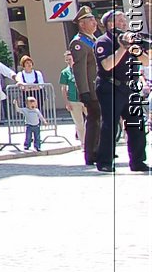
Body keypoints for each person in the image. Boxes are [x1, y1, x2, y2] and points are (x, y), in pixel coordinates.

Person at [94, 10, 149, 173]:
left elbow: (145, 61)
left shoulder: (130, 41)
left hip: (129, 87)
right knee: (110, 125)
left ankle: (138, 161)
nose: (124, 24)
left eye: (125, 21)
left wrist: (134, 48)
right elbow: (107, 65)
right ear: (110, 24)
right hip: (109, 86)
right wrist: (123, 48)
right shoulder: (103, 41)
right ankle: (104, 162)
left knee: (136, 125)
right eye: (120, 21)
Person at [68, 9, 102, 165]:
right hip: (91, 89)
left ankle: (98, 149)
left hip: (99, 87)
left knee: (99, 120)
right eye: (90, 20)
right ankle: (91, 153)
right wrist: (84, 92)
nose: (95, 22)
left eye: (94, 19)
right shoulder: (78, 42)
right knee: (94, 120)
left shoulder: (92, 39)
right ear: (82, 24)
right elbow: (79, 70)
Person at [60, 50, 86, 145]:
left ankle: (94, 142)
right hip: (73, 100)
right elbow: (63, 88)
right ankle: (83, 144)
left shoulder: (81, 68)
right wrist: (67, 102)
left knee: (93, 120)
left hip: (85, 98)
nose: (69, 61)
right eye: (67, 60)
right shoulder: (65, 72)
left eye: (70, 59)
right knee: (79, 124)